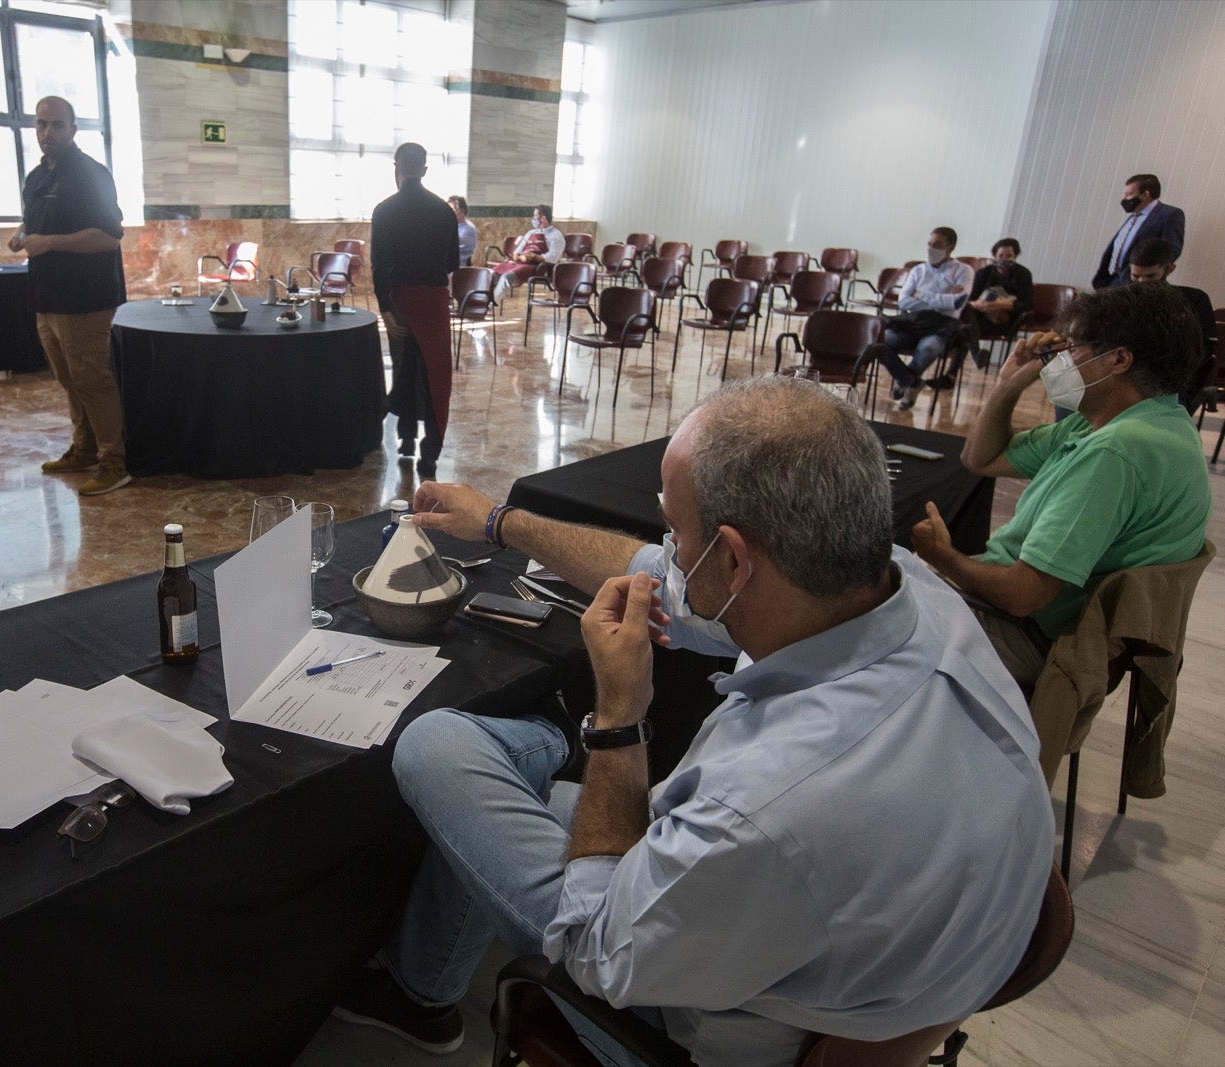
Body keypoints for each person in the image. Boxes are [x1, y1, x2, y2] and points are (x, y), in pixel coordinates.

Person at [334, 376, 1054, 1067]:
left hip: (713, 1030)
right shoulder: (905, 585)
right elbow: (668, 583)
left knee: (433, 745)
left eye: (676, 528)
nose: (669, 553)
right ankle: (427, 975)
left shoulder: (767, 805)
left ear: (736, 558)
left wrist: (618, 719)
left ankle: (539, 767)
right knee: (509, 772)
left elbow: (600, 947)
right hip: (880, 969)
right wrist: (500, 521)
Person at [911, 282, 1210, 687]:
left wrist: (943, 557)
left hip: (1025, 637)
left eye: (1073, 348)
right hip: (1032, 623)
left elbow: (1022, 595)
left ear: (1118, 359)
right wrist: (1008, 385)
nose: (1059, 361)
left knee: (852, 616)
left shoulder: (1117, 452)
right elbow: (978, 459)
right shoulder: (1149, 421)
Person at [9, 96, 131, 496]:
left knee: (91, 379)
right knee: (68, 379)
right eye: (42, 125)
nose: (48, 133)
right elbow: (37, 216)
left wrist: (50, 242)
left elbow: (109, 235)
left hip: (86, 299)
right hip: (47, 297)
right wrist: (23, 232)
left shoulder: (90, 174)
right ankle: (84, 448)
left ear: (73, 130)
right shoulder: (37, 176)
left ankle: (115, 462)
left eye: (57, 125)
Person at [370, 143, 460, 478]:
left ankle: (405, 440)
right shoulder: (444, 211)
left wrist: (386, 310)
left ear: (397, 168)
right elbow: (452, 263)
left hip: (401, 303)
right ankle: (430, 456)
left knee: (404, 371)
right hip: (434, 303)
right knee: (436, 381)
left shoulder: (384, 210)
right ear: (424, 169)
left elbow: (380, 266)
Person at [873, 227, 972, 410]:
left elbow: (957, 303)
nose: (930, 249)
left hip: (941, 326)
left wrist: (920, 295)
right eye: (929, 244)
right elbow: (904, 301)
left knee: (928, 348)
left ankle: (903, 381)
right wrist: (942, 298)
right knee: (880, 342)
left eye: (937, 245)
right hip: (913, 322)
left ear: (950, 247)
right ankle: (910, 381)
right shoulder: (918, 270)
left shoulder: (963, 271)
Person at [933, 237, 1034, 386]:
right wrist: (979, 304)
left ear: (1016, 256)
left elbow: (1027, 306)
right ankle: (974, 356)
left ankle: (952, 375)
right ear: (994, 256)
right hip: (979, 318)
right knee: (965, 326)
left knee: (965, 330)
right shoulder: (984, 273)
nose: (1004, 260)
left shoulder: (1023, 274)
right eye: (1000, 256)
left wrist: (1003, 304)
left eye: (1009, 256)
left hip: (1005, 321)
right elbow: (969, 300)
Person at [1092, 173, 1184, 290]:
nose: (1124, 199)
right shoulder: (1134, 217)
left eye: (1129, 194)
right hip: (1113, 281)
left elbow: (1172, 249)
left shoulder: (1169, 214)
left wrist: (1147, 277)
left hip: (1139, 285)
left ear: (1145, 194)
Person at [490, 204, 564, 303]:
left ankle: (490, 305)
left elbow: (553, 257)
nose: (533, 219)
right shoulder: (531, 233)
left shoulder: (556, 236)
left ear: (543, 218)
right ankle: (480, 302)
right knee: (491, 274)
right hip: (520, 262)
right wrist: (517, 256)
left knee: (506, 277)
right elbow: (518, 250)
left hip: (536, 268)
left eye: (535, 216)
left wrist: (534, 257)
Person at [447, 195, 476, 267]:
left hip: (459, 265)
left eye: (453, 210)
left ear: (462, 211)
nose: (449, 213)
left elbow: (451, 245)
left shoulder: (468, 229)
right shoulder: (452, 225)